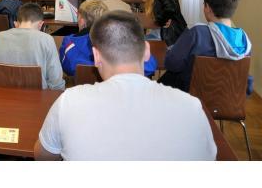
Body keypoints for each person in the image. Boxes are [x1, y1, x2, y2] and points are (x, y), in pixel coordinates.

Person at [36, 11, 217, 161]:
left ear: (96, 57)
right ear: (147, 51)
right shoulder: (191, 107)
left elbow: (42, 155)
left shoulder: (68, 102)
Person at [160, 0, 253, 93]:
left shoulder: (197, 33)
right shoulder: (244, 40)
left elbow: (172, 64)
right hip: (228, 100)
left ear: (208, 7)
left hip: (192, 97)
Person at [0, 3, 65, 90]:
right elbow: (56, 81)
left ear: (16, 24)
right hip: (37, 96)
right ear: (41, 24)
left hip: (2, 94)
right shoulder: (47, 39)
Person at [59, 0, 109, 76]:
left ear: (82, 21)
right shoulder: (111, 42)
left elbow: (65, 67)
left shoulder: (69, 42)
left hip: (76, 82)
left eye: (78, 17)